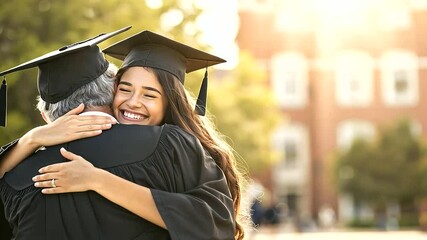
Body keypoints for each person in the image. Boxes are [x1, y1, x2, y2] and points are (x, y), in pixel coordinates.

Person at [0, 29, 246, 240]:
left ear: (45, 115)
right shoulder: (173, 147)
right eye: (126, 89)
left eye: (149, 94)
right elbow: (214, 225)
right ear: (111, 92)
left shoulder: (14, 178)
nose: (133, 103)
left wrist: (32, 142)